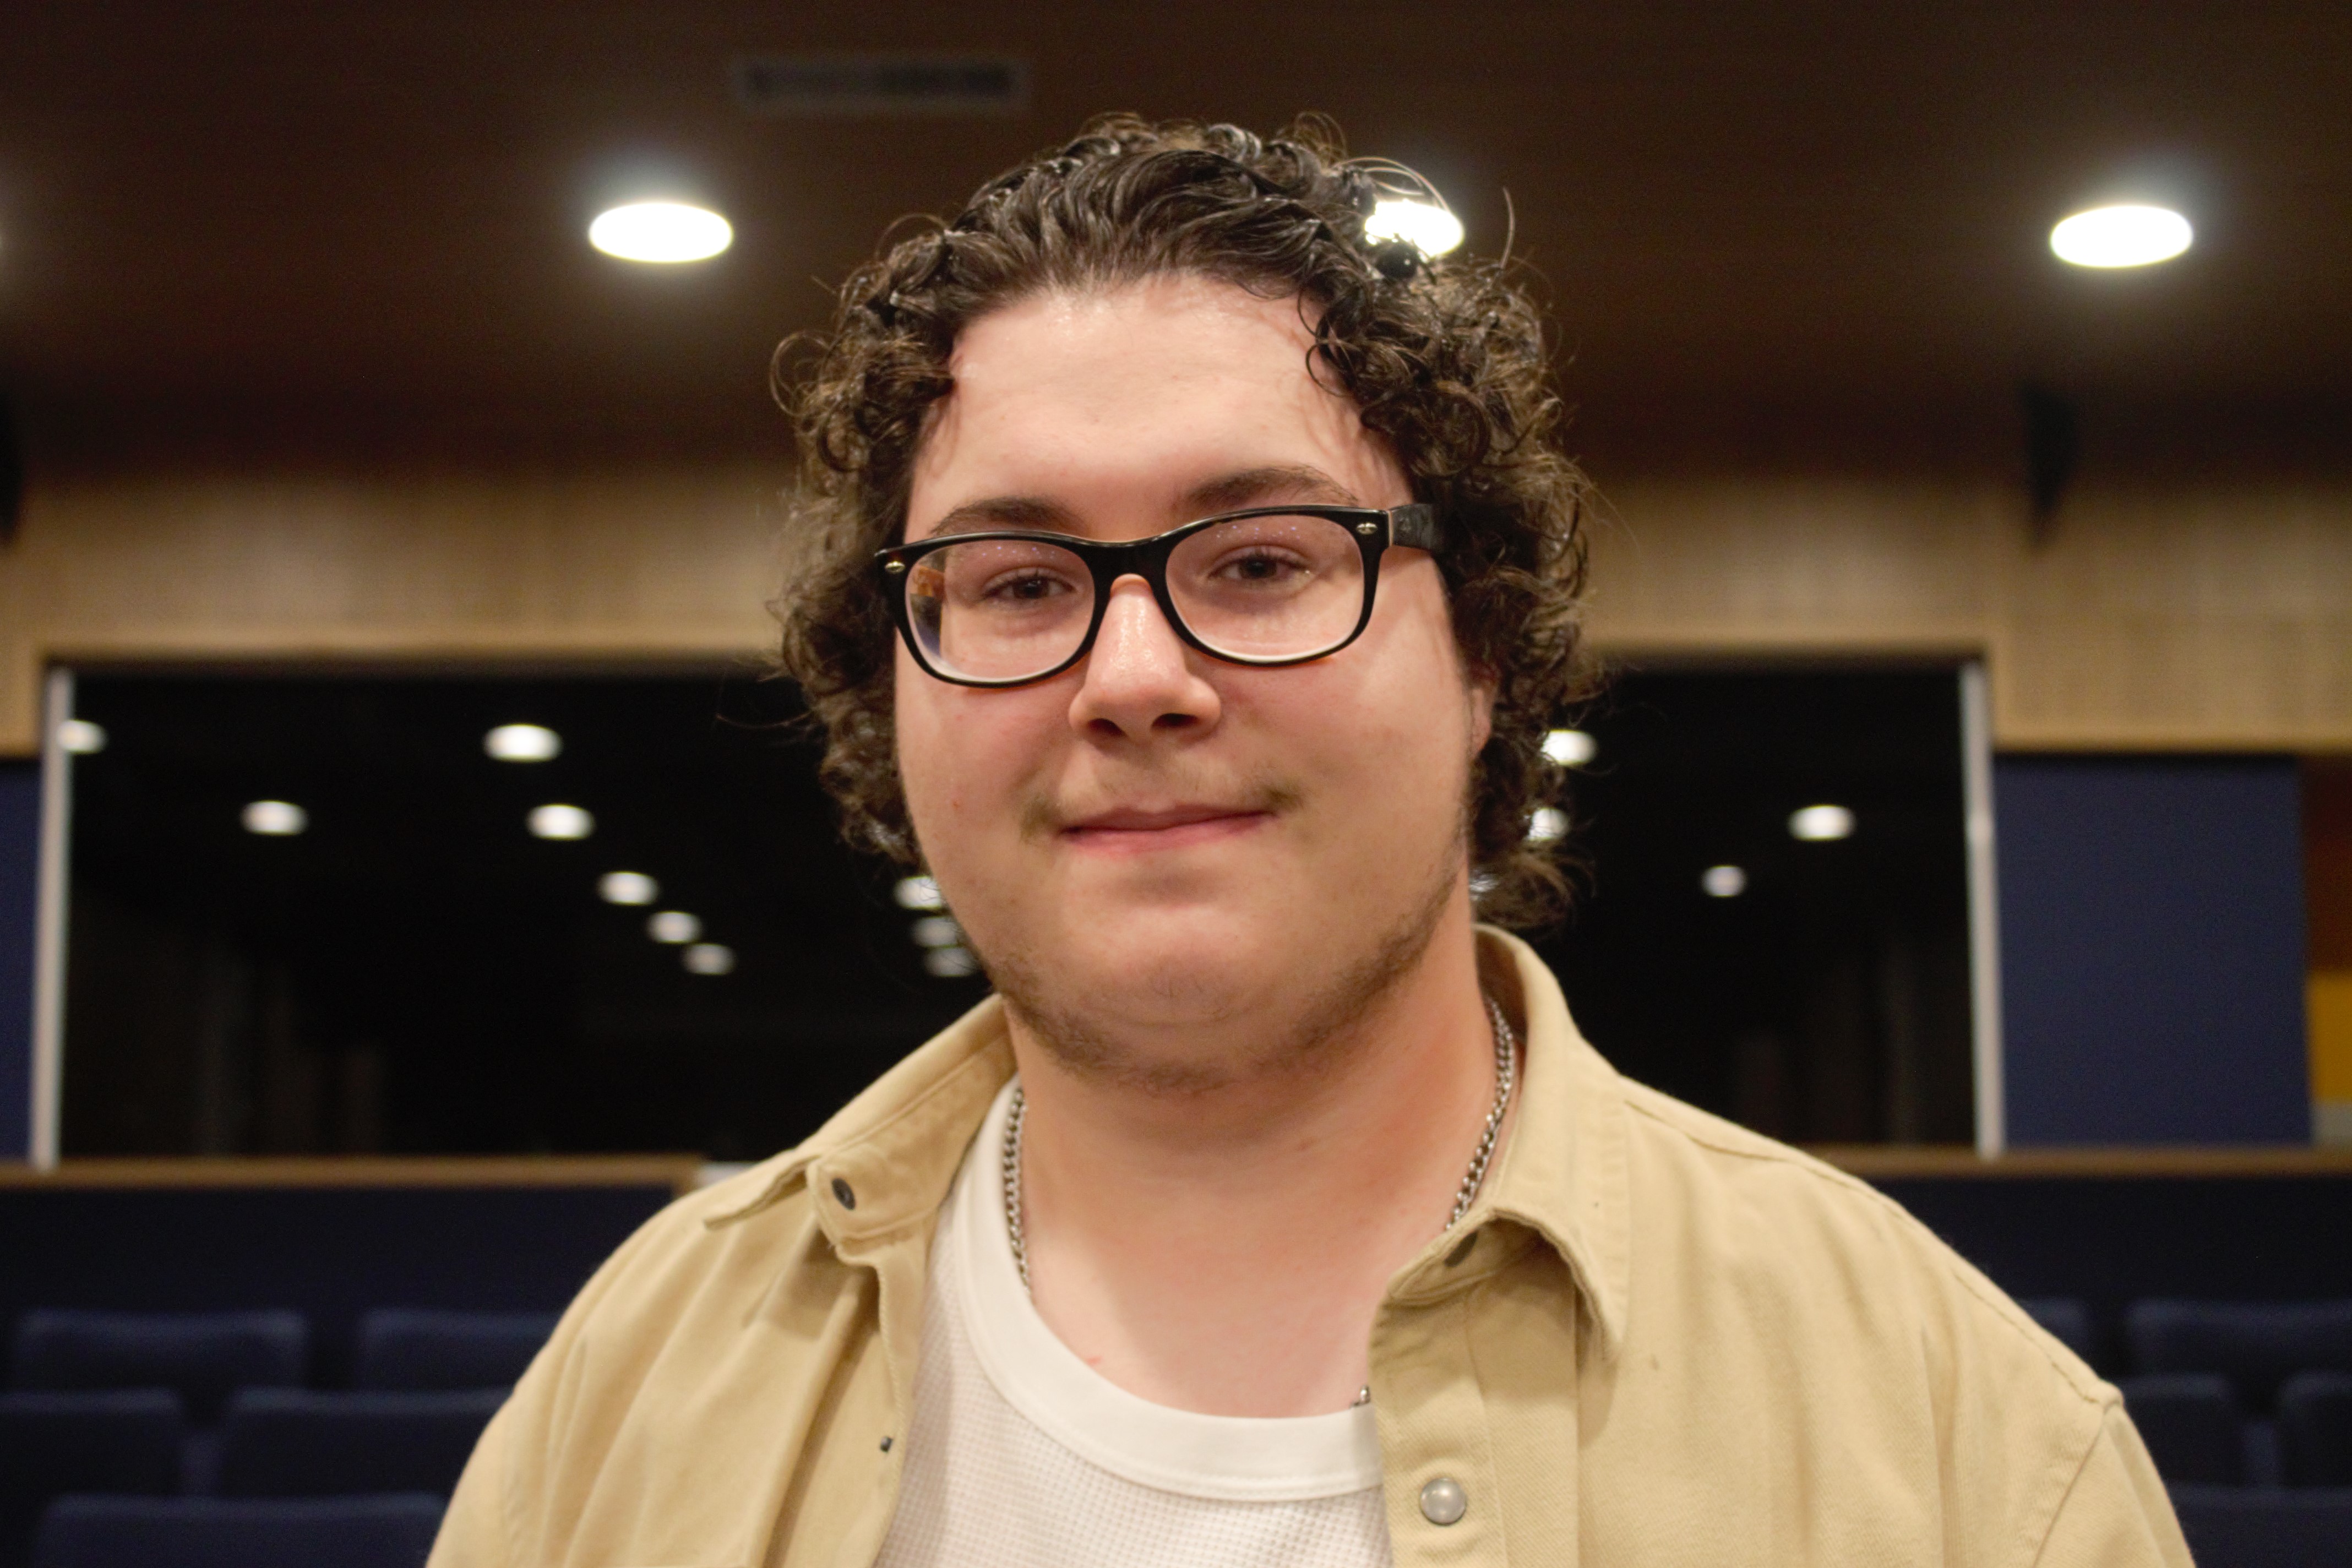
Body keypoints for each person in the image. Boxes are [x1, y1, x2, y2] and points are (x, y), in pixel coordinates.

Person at [430, 117, 2188, 1568]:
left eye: (1263, 561)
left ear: (1484, 656)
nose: (1133, 678)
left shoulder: (1962, 1448)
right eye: (1019, 583)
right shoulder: (635, 1385)